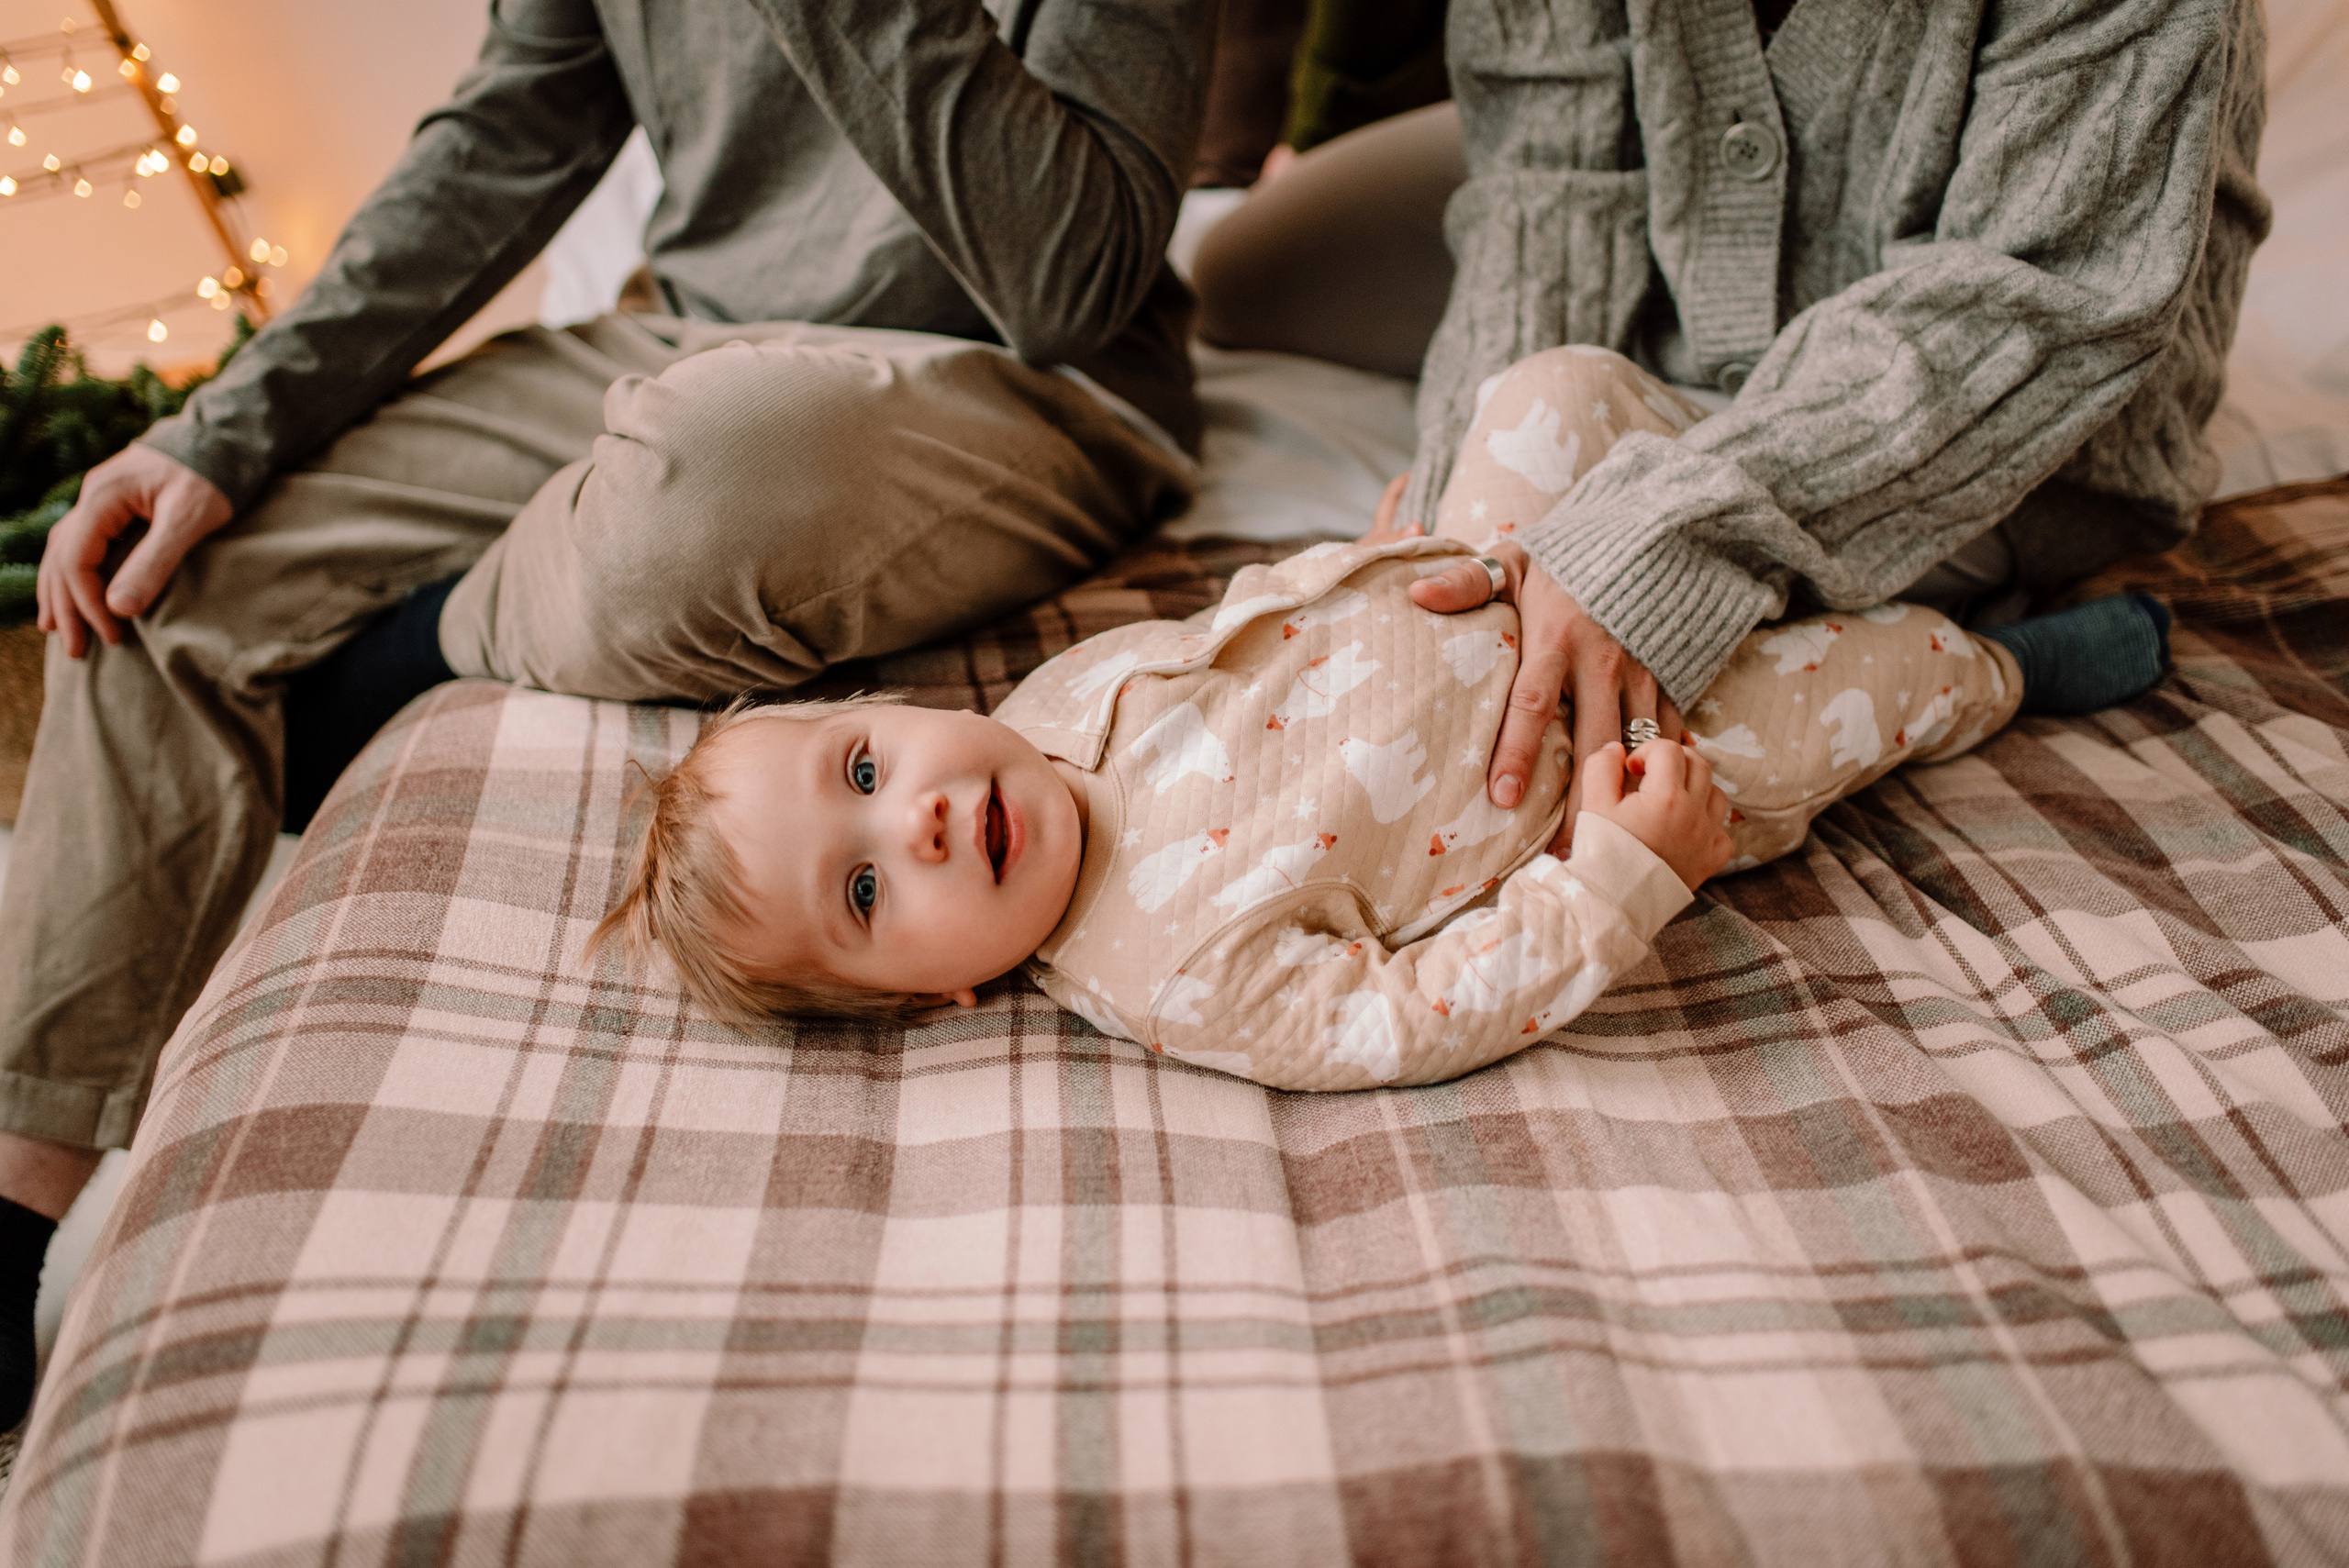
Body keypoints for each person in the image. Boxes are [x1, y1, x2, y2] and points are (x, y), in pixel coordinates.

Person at [0, 0, 1219, 1427]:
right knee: (157, 579)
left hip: (1016, 375)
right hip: (697, 336)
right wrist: (224, 428)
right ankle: (24, 1185)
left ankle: (408, 657)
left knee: (690, 496)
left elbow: (1072, 275)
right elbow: (509, 136)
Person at [597, 347, 2171, 1089]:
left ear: (887, 706)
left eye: (863, 768)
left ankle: (1747, 485)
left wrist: (1369, 551)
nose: (915, 816)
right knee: (1860, 687)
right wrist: (1623, 864)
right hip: (1597, 769)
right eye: (867, 888)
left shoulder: (1049, 699)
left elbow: (1241, 618)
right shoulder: (1174, 974)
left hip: (1486, 578)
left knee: (1541, 391)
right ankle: (2016, 660)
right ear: (935, 998)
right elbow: (1420, 1013)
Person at [1195, 0, 2266, 858]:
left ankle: (2001, 666)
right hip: (1693, 237)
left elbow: (2042, 295)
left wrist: (1664, 539)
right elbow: (1549, 177)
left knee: (1629, 700)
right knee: (1237, 275)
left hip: (2014, 394)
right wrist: (1466, 479)